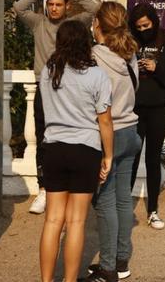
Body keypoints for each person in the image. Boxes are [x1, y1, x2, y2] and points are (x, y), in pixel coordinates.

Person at [14, 0, 100, 214]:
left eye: (58, 4)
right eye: (50, 4)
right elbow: (19, 7)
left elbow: (93, 9)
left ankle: (71, 188)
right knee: (43, 136)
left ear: (67, 6)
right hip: (44, 88)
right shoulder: (38, 22)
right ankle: (44, 188)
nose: (53, 8)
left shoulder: (73, 24)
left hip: (71, 87)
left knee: (71, 135)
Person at [38, 20, 114, 282]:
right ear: (86, 43)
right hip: (85, 149)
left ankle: (46, 280)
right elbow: (105, 121)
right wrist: (108, 156)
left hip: (54, 149)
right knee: (76, 222)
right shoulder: (97, 76)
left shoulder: (48, 71)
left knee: (52, 220)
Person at [86, 2, 143, 282]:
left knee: (105, 202)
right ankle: (121, 261)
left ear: (98, 23)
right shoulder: (130, 54)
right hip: (131, 130)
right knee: (123, 200)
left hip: (108, 134)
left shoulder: (94, 56)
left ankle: (107, 268)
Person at [128, 3, 165, 230]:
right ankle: (123, 210)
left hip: (159, 108)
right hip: (134, 109)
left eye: (146, 26)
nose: (143, 31)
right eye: (138, 27)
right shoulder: (130, 43)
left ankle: (153, 210)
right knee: (130, 158)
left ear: (154, 21)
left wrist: (155, 68)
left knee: (152, 159)